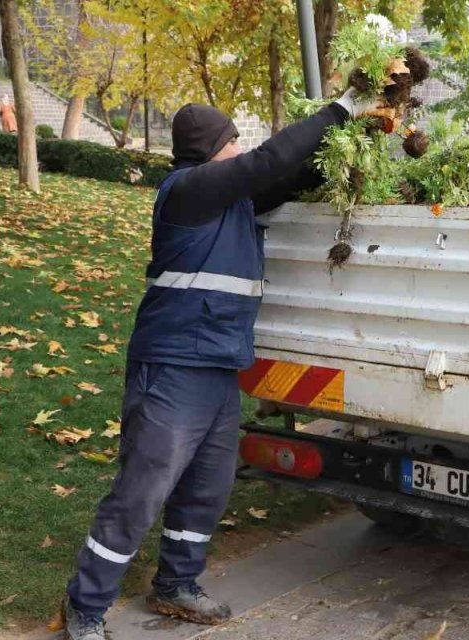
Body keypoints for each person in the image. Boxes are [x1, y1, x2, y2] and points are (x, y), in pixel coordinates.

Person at [60, 87, 375, 640]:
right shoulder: (189, 191)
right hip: (173, 367)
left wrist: (354, 138)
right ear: (213, 149)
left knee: (208, 485)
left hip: (217, 367)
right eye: (233, 141)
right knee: (142, 490)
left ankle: (177, 585)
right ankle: (84, 608)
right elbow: (269, 162)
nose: (240, 149)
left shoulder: (232, 202)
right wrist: (341, 108)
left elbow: (290, 176)